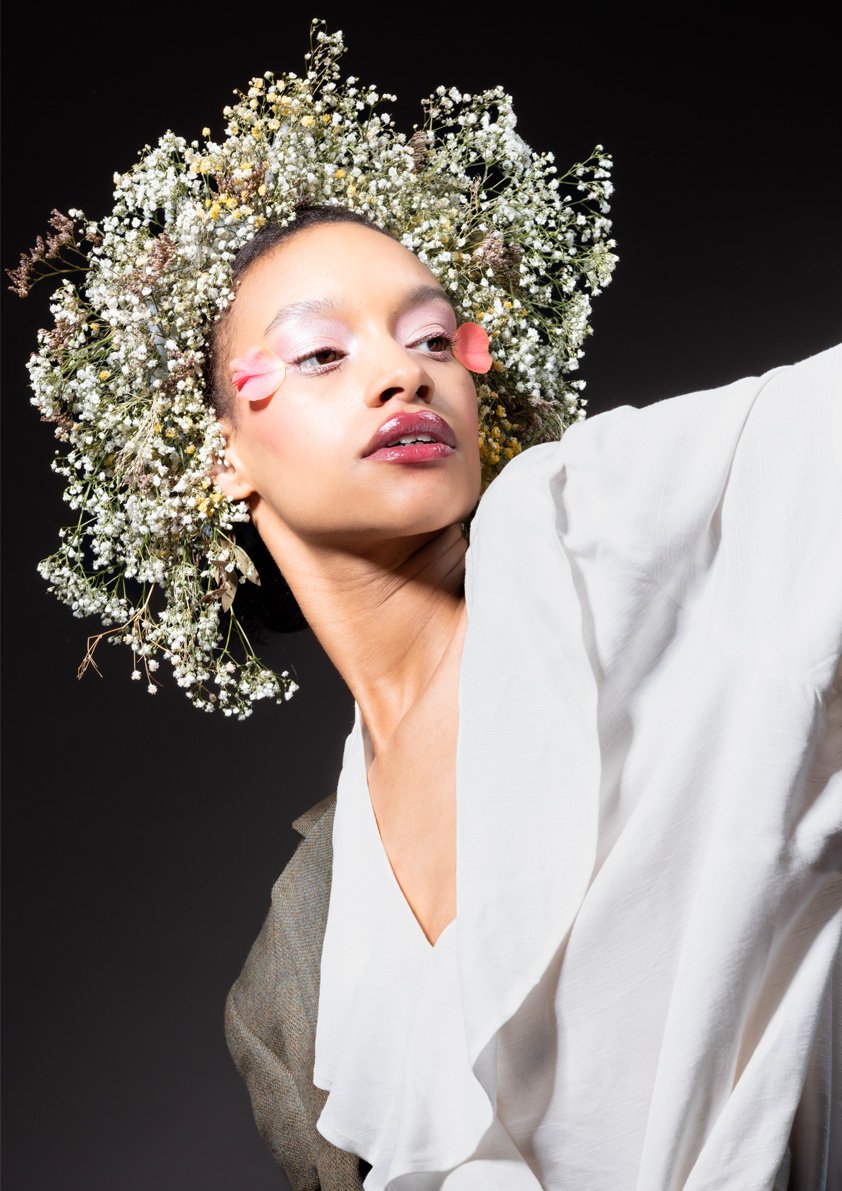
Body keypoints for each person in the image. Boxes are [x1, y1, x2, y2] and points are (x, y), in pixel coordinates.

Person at [10, 21, 840, 1191]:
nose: (404, 372)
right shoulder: (295, 972)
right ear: (218, 456)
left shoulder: (596, 540)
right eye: (318, 355)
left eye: (433, 338)